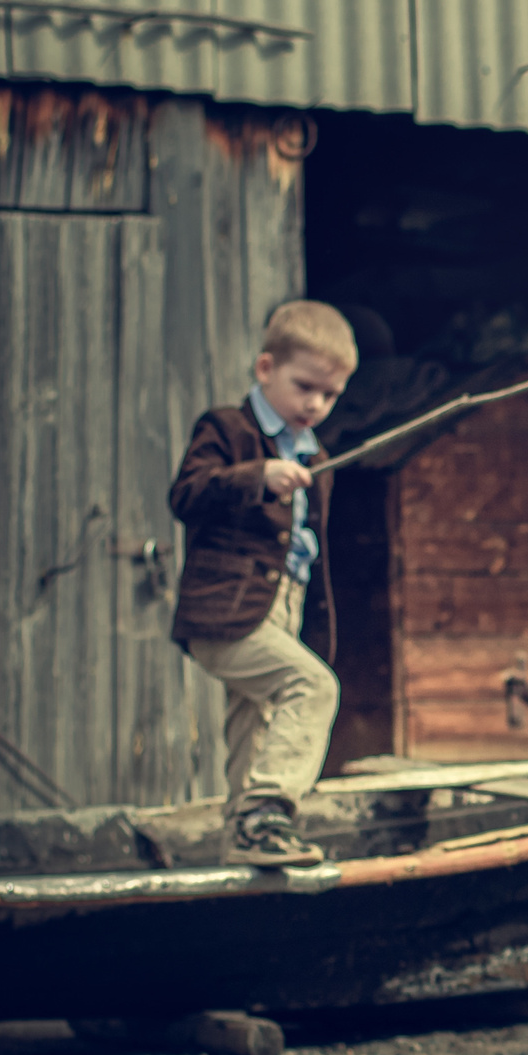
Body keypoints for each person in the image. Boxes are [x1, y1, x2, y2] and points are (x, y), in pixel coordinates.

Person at [169, 300, 355, 867]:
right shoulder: (228, 429)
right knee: (312, 687)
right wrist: (259, 476)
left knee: (257, 724)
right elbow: (186, 495)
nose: (315, 404)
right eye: (305, 387)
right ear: (266, 368)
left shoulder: (315, 457)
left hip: (282, 606)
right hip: (228, 611)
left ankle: (246, 840)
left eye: (330, 396)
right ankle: (268, 812)